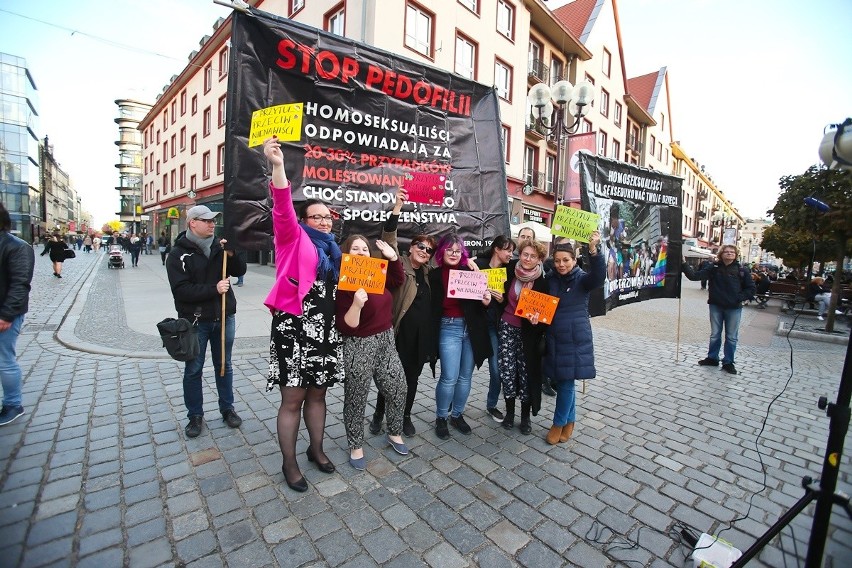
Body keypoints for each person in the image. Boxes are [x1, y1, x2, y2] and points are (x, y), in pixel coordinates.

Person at [262, 136, 344, 492]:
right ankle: (289, 462)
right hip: (294, 329)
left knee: (319, 395)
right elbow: (282, 205)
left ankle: (316, 449)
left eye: (329, 216)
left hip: (324, 330)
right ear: (305, 218)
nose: (325, 222)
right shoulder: (292, 237)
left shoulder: (336, 252)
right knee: (293, 398)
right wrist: (278, 166)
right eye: (318, 216)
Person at [166, 204, 247, 440]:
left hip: (223, 317)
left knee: (224, 365)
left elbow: (240, 269)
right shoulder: (178, 254)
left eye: (214, 221)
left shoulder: (219, 247)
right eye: (207, 220)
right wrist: (214, 289)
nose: (212, 224)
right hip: (195, 321)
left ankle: (227, 409)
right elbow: (181, 291)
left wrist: (233, 253)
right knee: (193, 369)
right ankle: (195, 415)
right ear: (193, 222)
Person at [336, 234, 409, 469]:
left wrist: (392, 257)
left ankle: (394, 432)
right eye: (355, 249)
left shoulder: (376, 273)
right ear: (347, 253)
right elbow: (347, 325)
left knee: (398, 387)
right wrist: (357, 304)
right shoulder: (345, 281)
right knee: (356, 396)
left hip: (385, 339)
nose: (361, 252)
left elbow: (398, 279)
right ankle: (355, 444)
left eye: (364, 249)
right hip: (359, 343)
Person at [370, 189, 437, 437]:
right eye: (420, 246)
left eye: (429, 249)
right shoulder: (399, 262)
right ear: (411, 248)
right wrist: (397, 208)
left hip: (421, 337)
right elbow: (389, 239)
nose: (424, 251)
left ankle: (405, 415)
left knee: (411, 378)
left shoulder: (431, 272)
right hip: (399, 332)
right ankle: (379, 414)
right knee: (389, 377)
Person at [543, 232, 605, 444]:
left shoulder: (582, 279)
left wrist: (594, 250)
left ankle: (558, 423)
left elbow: (598, 276)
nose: (561, 265)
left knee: (566, 382)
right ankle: (570, 421)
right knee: (563, 380)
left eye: (566, 260)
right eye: (558, 260)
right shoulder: (550, 278)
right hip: (554, 337)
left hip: (574, 338)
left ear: (574, 260)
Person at [430, 234, 492, 440]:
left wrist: (485, 301)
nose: (454, 254)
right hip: (449, 327)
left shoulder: (470, 271)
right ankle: (441, 417)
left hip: (471, 328)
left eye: (457, 251)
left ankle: (457, 414)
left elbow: (480, 304)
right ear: (442, 252)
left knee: (466, 376)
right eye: (449, 250)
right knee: (449, 377)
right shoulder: (435, 275)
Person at [497, 239, 548, 434]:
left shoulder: (543, 280)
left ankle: (525, 418)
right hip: (507, 327)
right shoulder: (510, 269)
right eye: (525, 254)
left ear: (539, 259)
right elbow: (490, 259)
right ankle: (510, 413)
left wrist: (539, 320)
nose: (527, 259)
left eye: (533, 256)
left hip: (529, 333)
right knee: (508, 372)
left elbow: (547, 312)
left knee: (526, 374)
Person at [682, 244, 755, 375]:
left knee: (731, 336)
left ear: (736, 254)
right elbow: (694, 276)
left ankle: (728, 362)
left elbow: (751, 289)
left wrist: (739, 297)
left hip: (734, 308)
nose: (729, 253)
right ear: (721, 254)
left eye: (732, 252)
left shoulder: (742, 270)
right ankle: (712, 358)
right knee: (715, 334)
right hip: (716, 305)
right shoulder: (714, 268)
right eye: (726, 252)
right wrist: (683, 264)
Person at [474, 235, 515, 422]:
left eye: (512, 251)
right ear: (497, 250)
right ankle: (451, 406)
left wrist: (501, 299)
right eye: (508, 250)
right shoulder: (479, 264)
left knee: (496, 370)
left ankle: (491, 404)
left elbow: (511, 300)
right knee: (463, 370)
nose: (510, 254)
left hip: (495, 326)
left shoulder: (509, 270)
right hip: (474, 324)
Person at [0, 203, 35, 426]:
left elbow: (20, 284)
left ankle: (13, 404)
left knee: (4, 360)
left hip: (5, 314)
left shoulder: (17, 247)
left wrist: (6, 315)